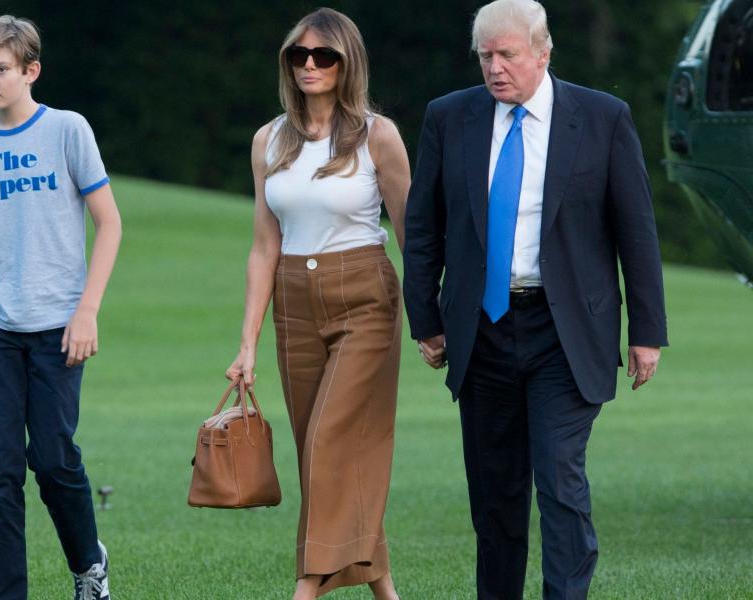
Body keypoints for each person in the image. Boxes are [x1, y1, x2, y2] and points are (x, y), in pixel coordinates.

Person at [402, 0, 668, 598]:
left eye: (507, 55)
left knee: (558, 480)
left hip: (566, 332)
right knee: (495, 496)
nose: (495, 68)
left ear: (543, 52)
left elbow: (636, 230)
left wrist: (646, 331)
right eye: (485, 56)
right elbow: (423, 227)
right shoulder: (450, 118)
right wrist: (427, 318)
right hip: (483, 330)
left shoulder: (602, 118)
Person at [225, 8, 411, 600]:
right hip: (294, 304)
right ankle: (385, 591)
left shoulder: (377, 135)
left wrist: (433, 324)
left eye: (323, 55)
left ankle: (305, 590)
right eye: (298, 55)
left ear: (345, 62)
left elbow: (412, 234)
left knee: (333, 443)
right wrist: (247, 343)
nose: (309, 65)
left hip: (365, 297)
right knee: (319, 454)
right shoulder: (268, 139)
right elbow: (262, 246)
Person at [0, 15, 121, 600]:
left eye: (0, 69)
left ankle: (88, 566)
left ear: (30, 70)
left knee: (52, 461)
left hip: (58, 326)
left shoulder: (68, 130)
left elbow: (109, 223)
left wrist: (87, 310)